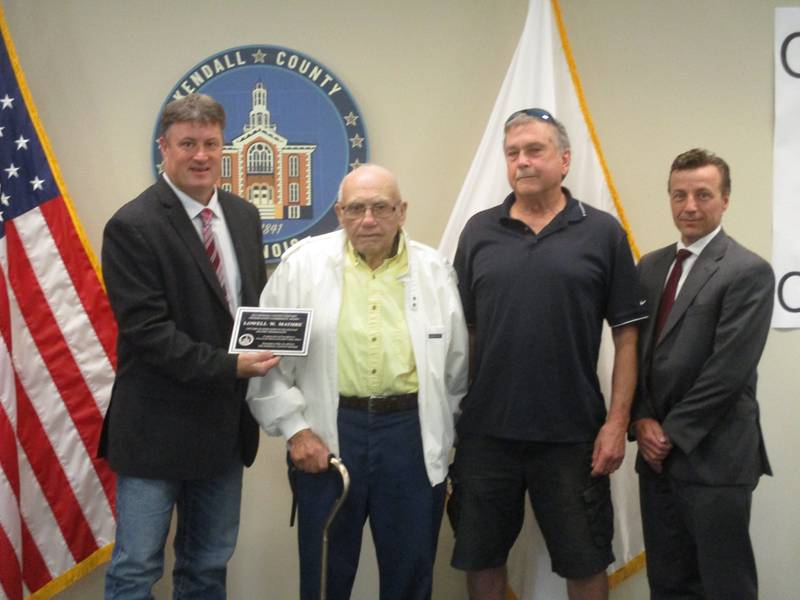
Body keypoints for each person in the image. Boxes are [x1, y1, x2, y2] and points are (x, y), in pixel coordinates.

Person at [450, 108, 647, 600]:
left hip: (574, 435)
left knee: (584, 562)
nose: (522, 161)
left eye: (534, 150)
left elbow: (627, 335)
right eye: (513, 153)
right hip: (486, 434)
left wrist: (616, 423)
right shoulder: (478, 232)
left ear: (564, 160)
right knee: (482, 559)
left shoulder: (602, 233)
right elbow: (463, 333)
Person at [247, 164, 468, 600]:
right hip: (328, 434)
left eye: (381, 207)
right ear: (339, 212)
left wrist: (444, 435)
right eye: (356, 208)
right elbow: (264, 362)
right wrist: (296, 432)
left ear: (401, 211)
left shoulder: (435, 270)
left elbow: (455, 368)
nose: (368, 220)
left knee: (410, 575)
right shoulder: (299, 266)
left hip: (410, 433)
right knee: (326, 575)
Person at [99, 93, 279, 599]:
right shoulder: (132, 225)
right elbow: (149, 334)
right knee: (136, 569)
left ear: (224, 147)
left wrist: (275, 341)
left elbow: (246, 309)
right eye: (187, 144)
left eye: (211, 144)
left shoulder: (243, 216)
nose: (200, 155)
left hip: (221, 430)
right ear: (164, 147)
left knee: (206, 568)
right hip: (155, 430)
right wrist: (232, 366)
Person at [633, 148, 773, 600]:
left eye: (702, 194)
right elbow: (635, 354)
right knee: (669, 584)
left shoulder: (748, 271)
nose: (689, 206)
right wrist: (641, 419)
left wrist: (669, 433)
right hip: (656, 462)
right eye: (679, 195)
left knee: (724, 585)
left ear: (726, 200)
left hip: (715, 458)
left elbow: (727, 371)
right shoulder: (651, 267)